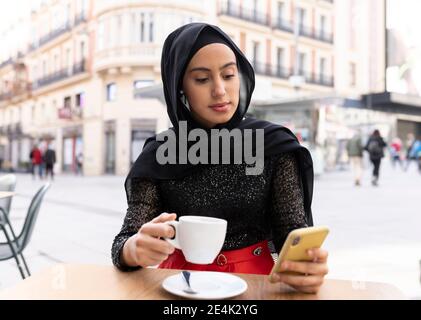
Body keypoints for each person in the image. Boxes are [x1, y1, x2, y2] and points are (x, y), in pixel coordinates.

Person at [111, 23, 328, 294]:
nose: (220, 91)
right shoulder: (160, 153)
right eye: (202, 79)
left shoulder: (273, 145)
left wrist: (307, 267)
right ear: (180, 88)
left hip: (255, 288)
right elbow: (123, 242)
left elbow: (293, 235)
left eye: (228, 75)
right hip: (178, 287)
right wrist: (134, 249)